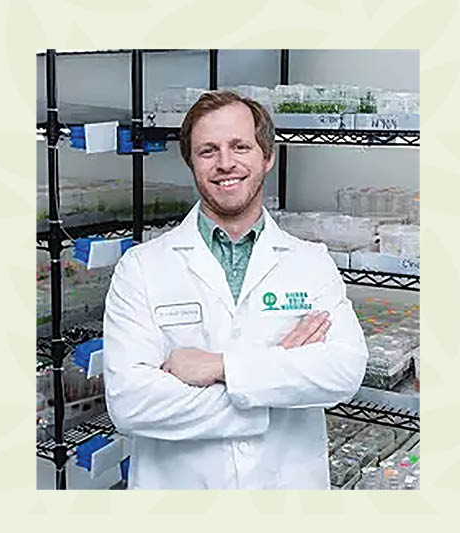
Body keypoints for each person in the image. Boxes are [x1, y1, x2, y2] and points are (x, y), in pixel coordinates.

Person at [103, 90, 368, 489]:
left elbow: (344, 371)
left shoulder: (309, 262)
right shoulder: (141, 268)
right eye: (208, 150)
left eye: (240, 146)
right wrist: (276, 384)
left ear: (267, 156)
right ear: (191, 162)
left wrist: (220, 367)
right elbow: (130, 403)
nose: (225, 163)